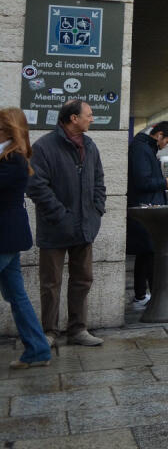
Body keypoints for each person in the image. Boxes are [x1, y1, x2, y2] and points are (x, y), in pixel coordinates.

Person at [27, 100, 105, 347]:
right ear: (74, 118)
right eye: (89, 115)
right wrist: (61, 215)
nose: (91, 119)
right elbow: (36, 185)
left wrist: (97, 209)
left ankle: (78, 330)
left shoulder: (90, 146)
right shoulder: (44, 147)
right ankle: (49, 332)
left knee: (83, 279)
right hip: (55, 228)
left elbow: (99, 181)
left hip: (85, 226)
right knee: (51, 283)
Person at [0, 108, 53, 369]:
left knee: (16, 296)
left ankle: (37, 349)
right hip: (8, 237)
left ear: (8, 130)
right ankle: (38, 350)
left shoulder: (14, 159)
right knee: (17, 296)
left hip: (5, 238)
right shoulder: (8, 156)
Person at [127, 121, 168, 303]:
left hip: (148, 209)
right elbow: (142, 182)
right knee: (150, 255)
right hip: (146, 211)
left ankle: (142, 295)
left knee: (146, 254)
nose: (166, 144)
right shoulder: (141, 150)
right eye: (167, 140)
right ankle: (154, 296)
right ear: (159, 135)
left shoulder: (145, 148)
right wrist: (164, 183)